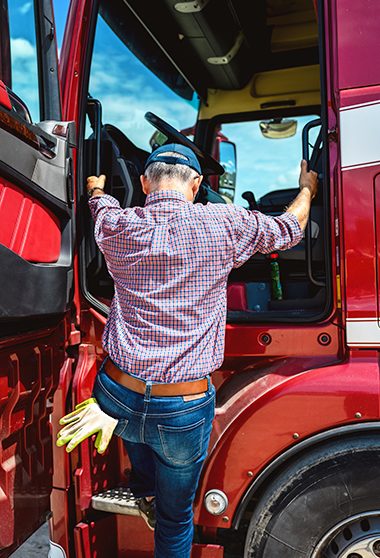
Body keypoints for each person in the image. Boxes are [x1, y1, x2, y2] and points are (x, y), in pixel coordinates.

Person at [57, 143, 318, 558]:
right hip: (182, 406)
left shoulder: (117, 225)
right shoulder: (225, 223)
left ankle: (144, 490)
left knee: (138, 441)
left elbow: (99, 205)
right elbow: (289, 228)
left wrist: (94, 187)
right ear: (196, 185)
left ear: (144, 183)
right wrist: (307, 189)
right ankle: (154, 499)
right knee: (176, 519)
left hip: (115, 397)